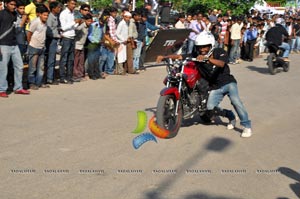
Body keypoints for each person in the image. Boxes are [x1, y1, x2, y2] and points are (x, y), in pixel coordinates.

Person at [156, 31, 252, 138]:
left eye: (205, 47)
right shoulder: (197, 55)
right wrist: (165, 57)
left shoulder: (219, 51)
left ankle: (247, 126)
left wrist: (208, 59)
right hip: (215, 86)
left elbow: (222, 63)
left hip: (228, 83)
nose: (202, 49)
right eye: (200, 47)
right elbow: (180, 56)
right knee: (210, 108)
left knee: (236, 101)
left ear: (211, 45)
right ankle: (230, 115)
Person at [0, 0, 30, 97]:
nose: (13, 6)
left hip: (14, 44)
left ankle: (18, 88)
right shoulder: (1, 14)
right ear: (6, 4)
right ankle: (2, 89)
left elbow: (17, 30)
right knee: (3, 68)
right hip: (3, 44)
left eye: (14, 5)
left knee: (19, 66)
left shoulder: (15, 15)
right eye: (11, 4)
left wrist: (23, 21)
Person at [27, 4, 49, 89]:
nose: (46, 17)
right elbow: (29, 33)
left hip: (42, 47)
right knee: (32, 67)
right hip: (34, 47)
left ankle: (39, 82)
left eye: (47, 15)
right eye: (44, 15)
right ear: (39, 14)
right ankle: (31, 83)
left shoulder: (45, 23)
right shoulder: (35, 22)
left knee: (41, 67)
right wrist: (30, 44)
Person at [59, 0, 80, 84]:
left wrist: (77, 23)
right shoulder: (64, 13)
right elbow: (63, 27)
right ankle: (62, 77)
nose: (73, 5)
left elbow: (72, 27)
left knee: (71, 59)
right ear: (67, 3)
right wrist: (74, 22)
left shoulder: (72, 13)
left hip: (72, 37)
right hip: (66, 37)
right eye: (72, 4)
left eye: (75, 4)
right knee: (64, 58)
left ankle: (69, 76)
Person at [73, 13, 93, 81]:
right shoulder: (81, 27)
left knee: (81, 61)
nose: (89, 23)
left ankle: (80, 74)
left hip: (82, 46)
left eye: (91, 21)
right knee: (76, 61)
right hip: (77, 45)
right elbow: (75, 33)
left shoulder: (88, 27)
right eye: (88, 21)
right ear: (85, 20)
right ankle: (75, 75)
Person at [45, 1, 61, 85]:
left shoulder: (55, 16)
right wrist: (58, 35)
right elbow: (48, 31)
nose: (59, 9)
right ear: (53, 8)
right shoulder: (50, 17)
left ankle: (51, 77)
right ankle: (49, 78)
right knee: (51, 59)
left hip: (55, 40)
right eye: (58, 7)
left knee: (53, 58)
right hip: (51, 40)